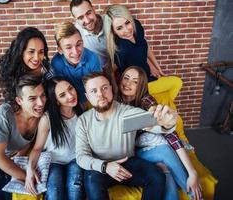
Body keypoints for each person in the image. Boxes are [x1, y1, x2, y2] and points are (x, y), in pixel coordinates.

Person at [76, 72, 181, 200]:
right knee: (91, 180)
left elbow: (155, 122)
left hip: (127, 163)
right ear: (87, 96)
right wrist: (105, 166)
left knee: (157, 176)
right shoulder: (83, 121)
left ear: (111, 89)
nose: (100, 94)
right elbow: (81, 157)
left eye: (104, 88)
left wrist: (167, 122)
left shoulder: (125, 115)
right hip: (101, 167)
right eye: (93, 91)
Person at [118, 66, 202, 200]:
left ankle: (193, 191)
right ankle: (195, 196)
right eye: (126, 78)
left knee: (164, 170)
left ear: (141, 86)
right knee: (163, 150)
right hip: (133, 153)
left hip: (152, 148)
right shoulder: (114, 101)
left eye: (135, 81)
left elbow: (169, 132)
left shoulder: (146, 100)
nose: (128, 83)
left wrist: (192, 173)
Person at [103, 4, 183, 107]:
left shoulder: (136, 26)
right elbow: (109, 70)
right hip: (139, 85)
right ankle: (159, 105)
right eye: (119, 28)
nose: (127, 30)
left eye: (127, 23)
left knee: (171, 90)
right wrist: (116, 91)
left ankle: (160, 104)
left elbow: (144, 45)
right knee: (176, 82)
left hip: (148, 76)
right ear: (113, 32)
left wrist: (157, 67)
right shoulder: (121, 50)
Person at [25, 77, 85, 200]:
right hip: (53, 162)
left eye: (70, 89)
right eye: (62, 95)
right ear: (56, 101)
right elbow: (37, 148)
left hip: (75, 159)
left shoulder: (81, 110)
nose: (70, 95)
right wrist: (30, 170)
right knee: (54, 193)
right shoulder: (47, 119)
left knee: (75, 191)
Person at [0, 27, 53, 109]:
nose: (36, 58)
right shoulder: (14, 72)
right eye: (31, 52)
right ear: (21, 52)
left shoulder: (47, 69)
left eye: (41, 52)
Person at [51, 22, 102, 105]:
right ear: (60, 50)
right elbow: (61, 90)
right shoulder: (56, 63)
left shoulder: (93, 58)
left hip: (90, 99)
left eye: (78, 44)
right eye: (68, 47)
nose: (75, 52)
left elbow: (96, 87)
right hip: (69, 101)